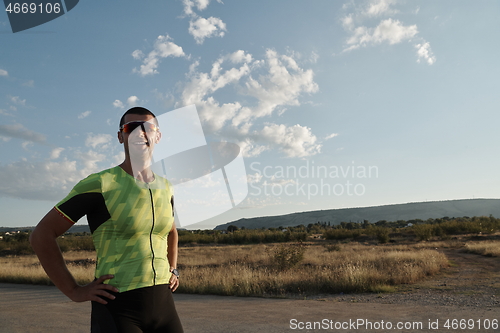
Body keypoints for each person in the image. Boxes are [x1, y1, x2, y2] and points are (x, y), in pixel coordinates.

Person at [30, 107, 184, 333]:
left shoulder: (165, 187)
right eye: (132, 128)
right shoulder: (101, 183)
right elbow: (41, 235)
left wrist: (173, 269)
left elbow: (170, 232)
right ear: (121, 136)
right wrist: (74, 291)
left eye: (148, 128)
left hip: (164, 305)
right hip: (118, 308)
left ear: (157, 136)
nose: (140, 133)